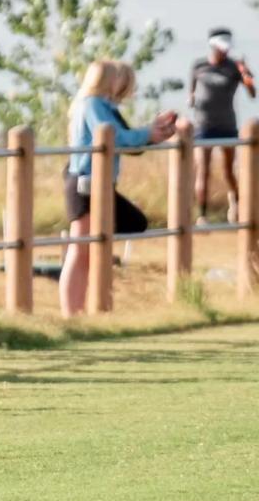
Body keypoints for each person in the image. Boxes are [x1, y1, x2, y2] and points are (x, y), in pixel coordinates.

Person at [59, 60, 176, 317]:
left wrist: (151, 133)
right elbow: (115, 136)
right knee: (81, 251)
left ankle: (80, 313)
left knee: (90, 250)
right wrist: (147, 133)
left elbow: (124, 140)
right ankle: (72, 314)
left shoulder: (100, 105)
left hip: (96, 183)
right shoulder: (93, 105)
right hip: (85, 182)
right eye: (117, 77)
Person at [189, 28, 256, 224]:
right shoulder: (199, 66)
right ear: (213, 46)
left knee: (228, 170)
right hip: (203, 125)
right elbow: (191, 92)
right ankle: (202, 215)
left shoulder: (234, 67)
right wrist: (192, 99)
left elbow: (252, 92)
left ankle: (235, 204)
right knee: (203, 169)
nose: (224, 52)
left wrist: (244, 71)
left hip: (226, 125)